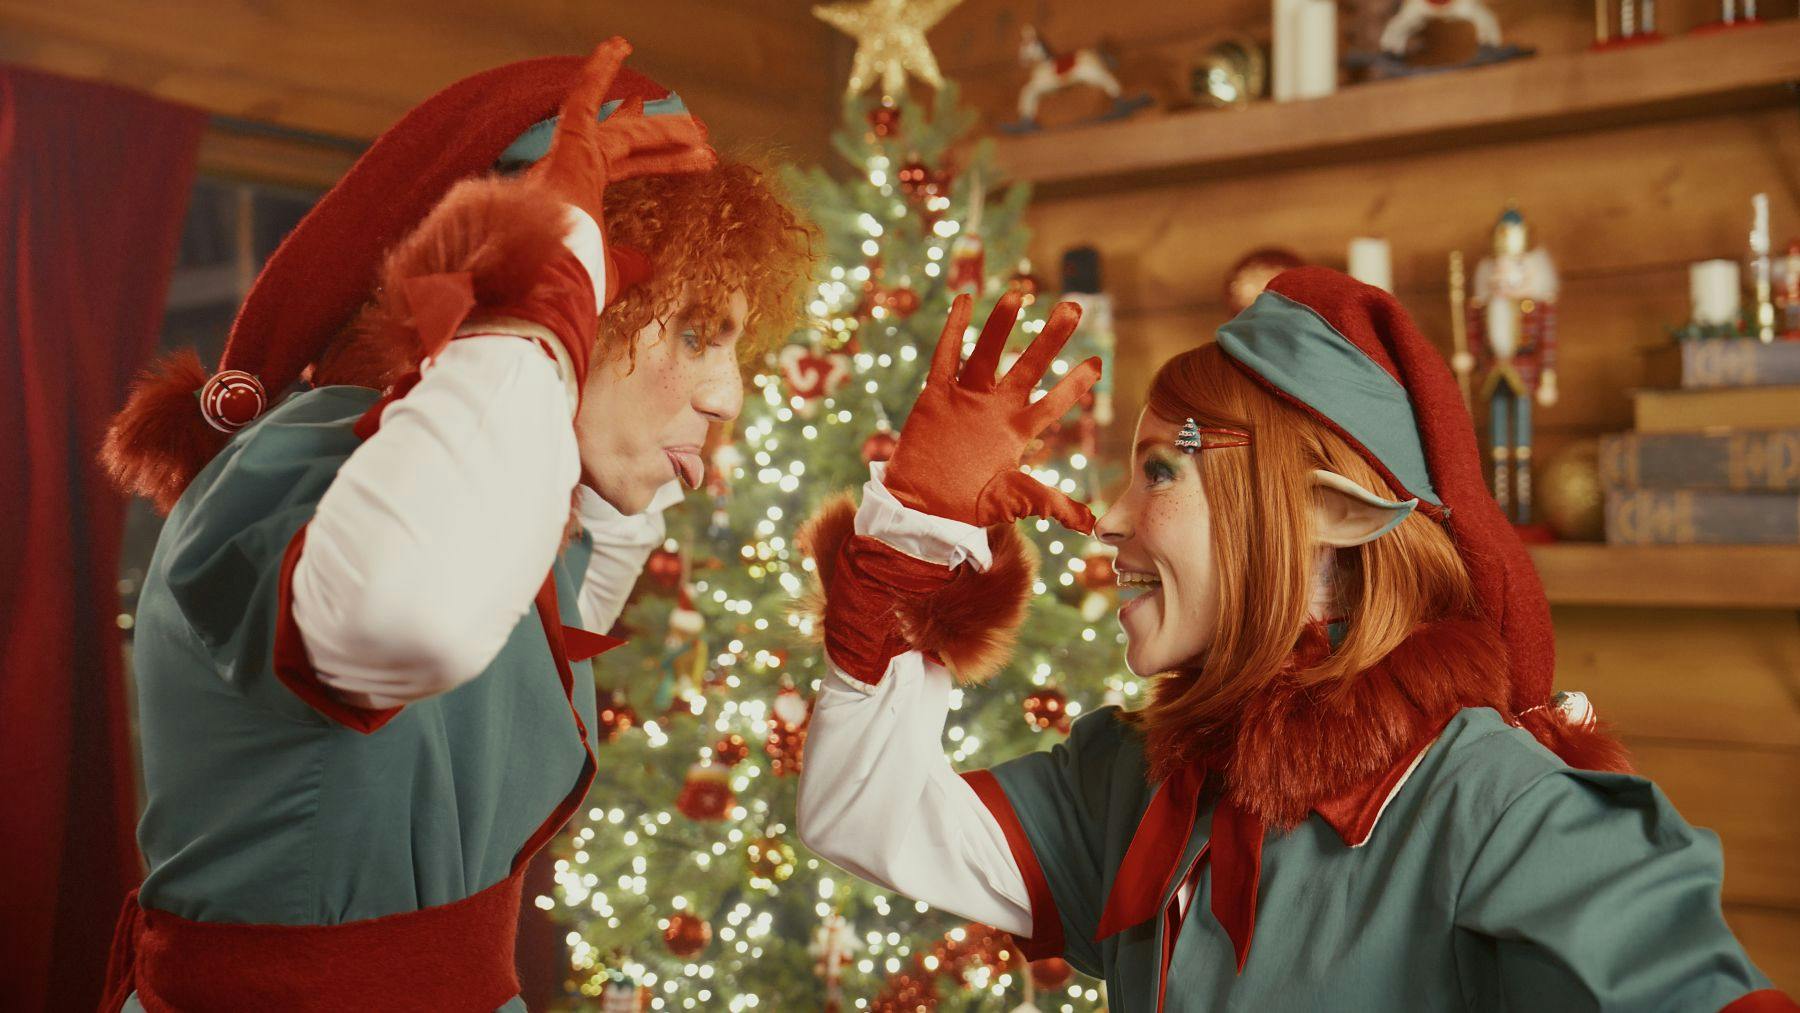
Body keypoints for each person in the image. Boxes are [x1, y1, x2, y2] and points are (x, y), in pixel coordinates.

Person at [796, 271, 1795, 1012]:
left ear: (1330, 513)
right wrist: (916, 528)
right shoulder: (1138, 782)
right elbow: (863, 811)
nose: (1107, 518)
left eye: (1159, 470)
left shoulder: (1502, 810)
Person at [97, 40, 813, 1011]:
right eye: (694, 332)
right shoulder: (303, 468)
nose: (728, 394)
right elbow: (410, 614)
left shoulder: (484, 509)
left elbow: (543, 600)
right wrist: (538, 272)